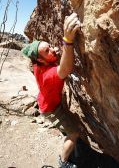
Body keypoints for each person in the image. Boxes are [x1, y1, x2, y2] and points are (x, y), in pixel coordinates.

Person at [22, 13, 81, 168]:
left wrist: (49, 51)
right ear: (40, 60)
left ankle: (65, 132)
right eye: (48, 51)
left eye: (49, 46)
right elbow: (65, 68)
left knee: (68, 126)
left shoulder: (38, 63)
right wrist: (67, 40)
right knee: (74, 133)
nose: (54, 49)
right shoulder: (48, 76)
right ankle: (63, 162)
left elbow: (48, 56)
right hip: (50, 109)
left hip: (48, 99)